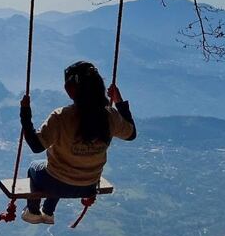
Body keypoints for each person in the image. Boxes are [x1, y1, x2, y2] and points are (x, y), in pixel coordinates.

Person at [18, 60, 137, 225]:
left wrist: (25, 114)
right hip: (89, 186)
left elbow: (36, 146)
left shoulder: (61, 117)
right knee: (59, 169)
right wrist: (119, 101)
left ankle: (33, 211)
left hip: (55, 184)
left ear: (71, 89)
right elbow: (131, 134)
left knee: (35, 167)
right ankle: (48, 212)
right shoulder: (110, 116)